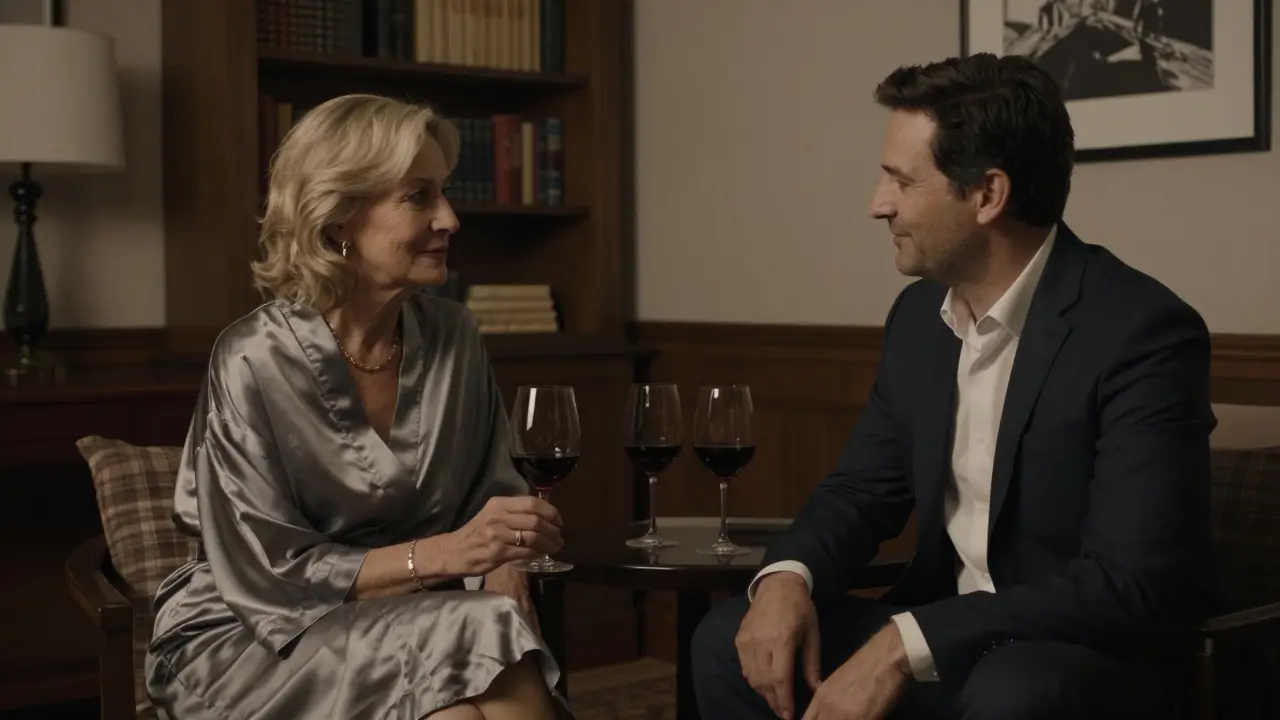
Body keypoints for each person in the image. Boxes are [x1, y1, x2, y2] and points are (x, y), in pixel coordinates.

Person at [691, 53, 1219, 719]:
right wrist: (785, 579)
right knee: (724, 641)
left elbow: (1128, 587)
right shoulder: (918, 320)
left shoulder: (1140, 332)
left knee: (1013, 691)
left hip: (1080, 660)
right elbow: (860, 493)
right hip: (942, 645)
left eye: (901, 182)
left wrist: (902, 644)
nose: (877, 205)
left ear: (987, 195)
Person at [144, 93, 572, 720]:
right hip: (251, 635)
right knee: (484, 637)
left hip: (416, 619)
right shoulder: (251, 358)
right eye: (418, 196)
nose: (450, 218)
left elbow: (494, 493)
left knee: (463, 684)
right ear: (338, 219)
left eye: (444, 193)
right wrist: (447, 556)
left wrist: (505, 566)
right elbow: (266, 570)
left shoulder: (455, 335)